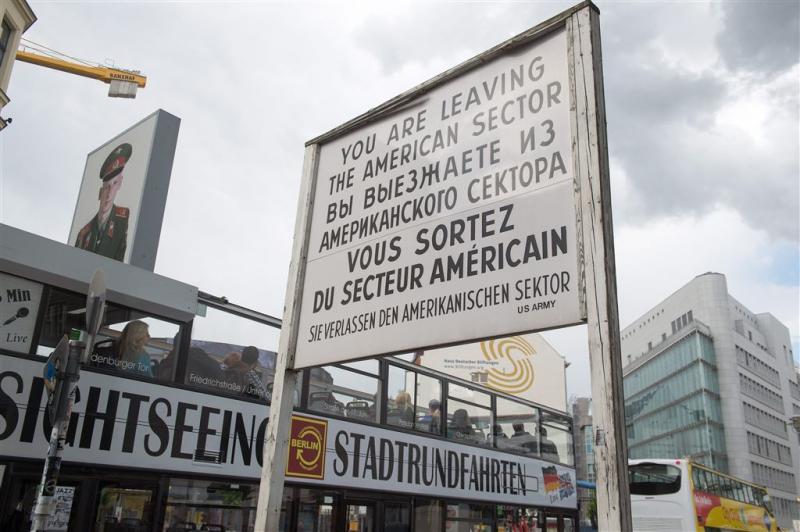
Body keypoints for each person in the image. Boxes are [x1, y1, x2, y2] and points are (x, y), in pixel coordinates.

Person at [74, 142, 132, 261]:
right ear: (100, 192)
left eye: (114, 184)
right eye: (107, 187)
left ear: (120, 183)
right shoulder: (83, 234)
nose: (109, 194)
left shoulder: (122, 219)